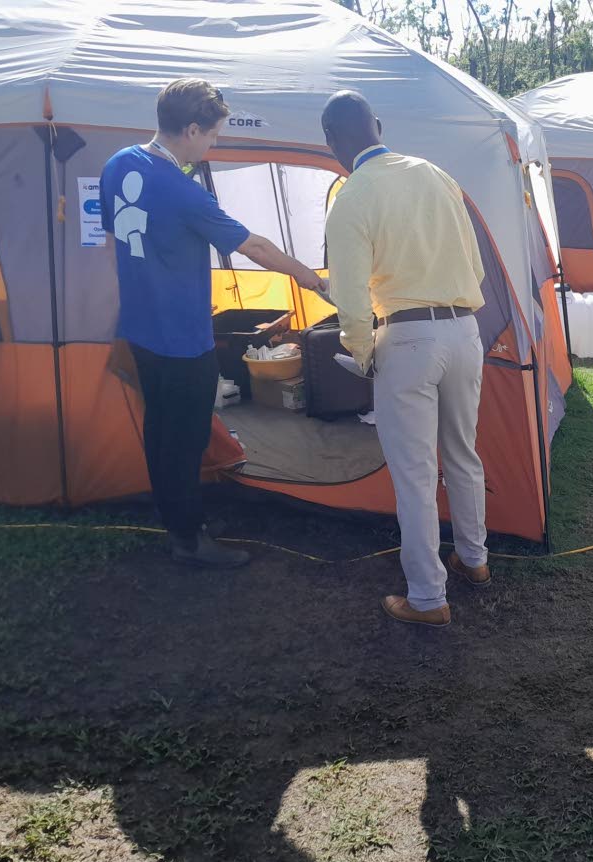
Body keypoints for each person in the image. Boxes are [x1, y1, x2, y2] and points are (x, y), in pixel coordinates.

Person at [100, 78, 326, 569]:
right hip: (181, 339)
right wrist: (314, 281)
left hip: (139, 330)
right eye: (212, 136)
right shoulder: (184, 192)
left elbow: (111, 238)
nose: (214, 145)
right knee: (184, 439)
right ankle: (188, 540)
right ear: (192, 128)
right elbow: (257, 248)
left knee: (159, 429)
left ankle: (178, 518)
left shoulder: (118, 164)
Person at [321, 90, 491, 628]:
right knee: (463, 454)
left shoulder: (350, 198)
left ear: (332, 145)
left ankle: (427, 598)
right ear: (377, 124)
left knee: (416, 476)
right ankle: (476, 558)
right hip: (465, 329)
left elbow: (351, 302)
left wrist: (365, 353)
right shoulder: (436, 175)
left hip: (407, 337)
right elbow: (477, 266)